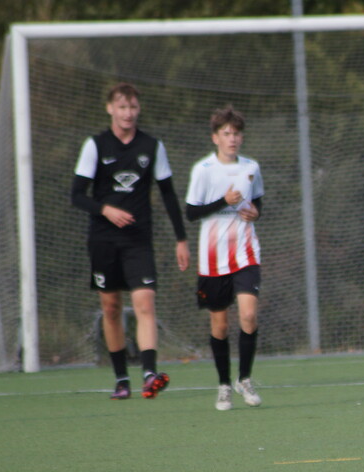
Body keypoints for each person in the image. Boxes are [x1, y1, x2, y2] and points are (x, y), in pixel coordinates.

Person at [71, 83, 189, 400]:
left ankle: (149, 374)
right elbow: (77, 195)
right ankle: (122, 379)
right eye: (122, 107)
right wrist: (105, 209)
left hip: (139, 240)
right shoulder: (95, 146)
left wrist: (181, 239)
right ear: (110, 108)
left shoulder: (152, 146)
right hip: (103, 240)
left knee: (145, 302)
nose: (128, 113)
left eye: (133, 107)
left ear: (139, 109)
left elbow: (168, 195)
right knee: (111, 308)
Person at [184, 106, 265, 411]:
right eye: (227, 133)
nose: (232, 139)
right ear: (215, 137)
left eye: (237, 133)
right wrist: (223, 201)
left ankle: (245, 378)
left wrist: (256, 212)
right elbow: (192, 212)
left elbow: (257, 202)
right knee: (219, 326)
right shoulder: (203, 170)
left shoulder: (251, 167)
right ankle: (223, 385)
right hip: (212, 258)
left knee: (248, 316)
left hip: (246, 252)